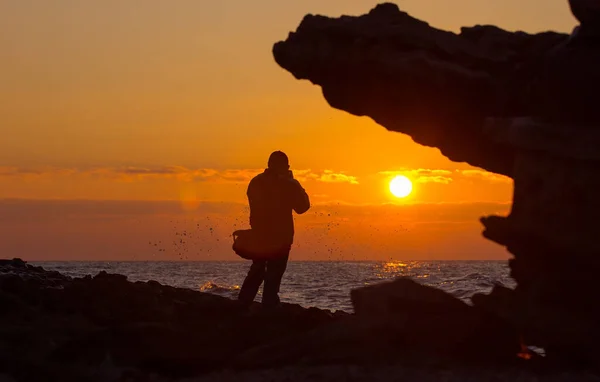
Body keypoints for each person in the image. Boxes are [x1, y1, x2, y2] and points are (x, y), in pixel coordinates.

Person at [238, 151, 310, 309]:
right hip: (281, 238)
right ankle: (269, 307)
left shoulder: (255, 181)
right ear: (285, 166)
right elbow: (303, 207)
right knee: (274, 274)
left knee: (257, 270)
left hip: (260, 235)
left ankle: (242, 304)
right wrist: (293, 182)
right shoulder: (289, 184)